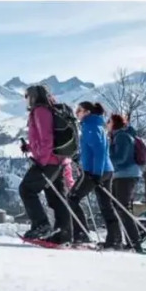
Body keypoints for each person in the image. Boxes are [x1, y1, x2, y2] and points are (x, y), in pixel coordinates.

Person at [18, 85, 73, 242]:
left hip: (48, 161)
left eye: (28, 96)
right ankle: (63, 234)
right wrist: (29, 147)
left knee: (26, 189)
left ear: (34, 96)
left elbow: (46, 138)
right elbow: (43, 139)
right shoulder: (49, 110)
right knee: (56, 197)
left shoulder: (40, 111)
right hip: (58, 160)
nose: (27, 100)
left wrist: (41, 161)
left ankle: (41, 225)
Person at [68, 102, 120, 248]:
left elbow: (99, 151)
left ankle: (81, 234)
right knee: (106, 205)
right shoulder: (97, 125)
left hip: (94, 171)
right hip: (106, 170)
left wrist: (96, 174)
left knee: (72, 198)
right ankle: (114, 239)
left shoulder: (90, 126)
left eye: (79, 110)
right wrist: (80, 158)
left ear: (87, 112)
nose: (77, 113)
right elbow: (93, 150)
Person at [107, 113, 145, 251]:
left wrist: (107, 159)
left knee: (122, 207)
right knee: (119, 207)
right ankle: (131, 239)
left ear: (114, 123)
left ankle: (135, 241)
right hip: (123, 174)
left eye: (109, 122)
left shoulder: (122, 136)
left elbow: (121, 158)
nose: (107, 124)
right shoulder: (120, 136)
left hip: (126, 175)